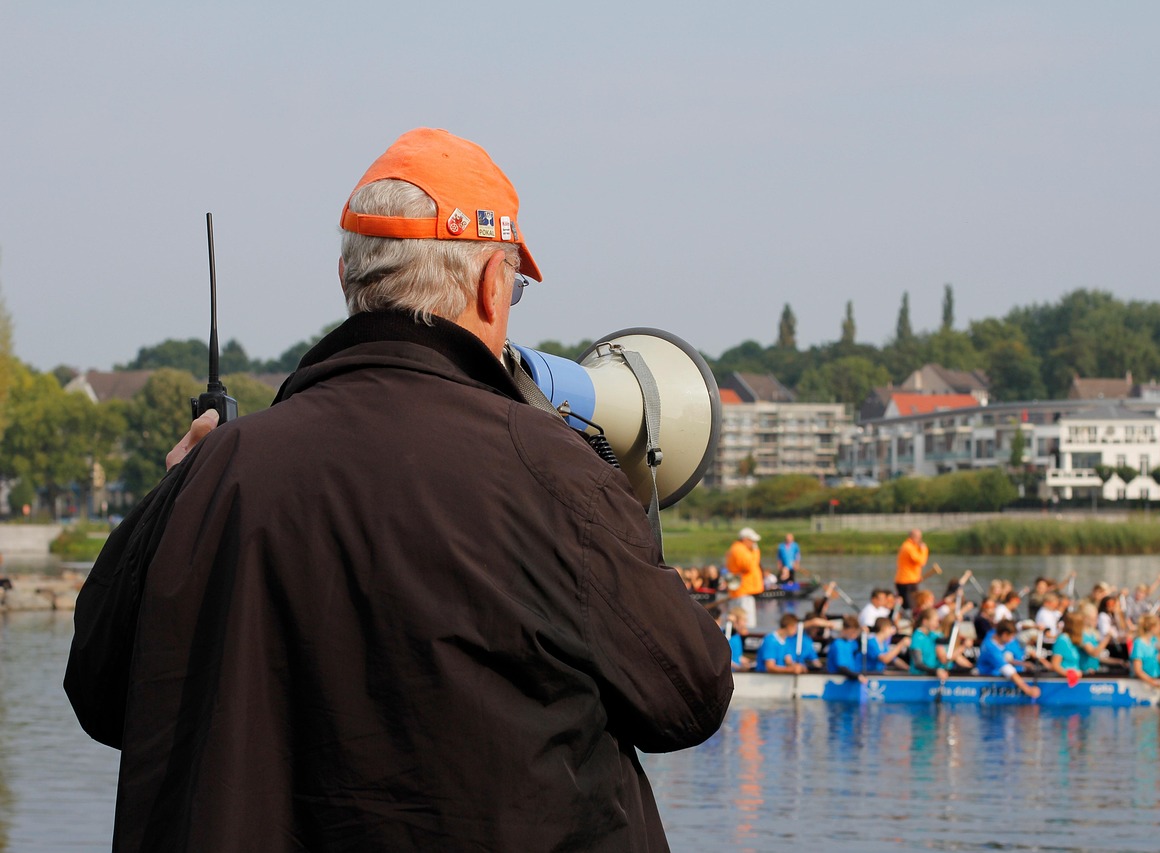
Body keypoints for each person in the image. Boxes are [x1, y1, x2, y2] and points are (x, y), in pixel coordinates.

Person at [63, 128, 732, 851]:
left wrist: (175, 501)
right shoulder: (554, 474)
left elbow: (100, 696)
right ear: (490, 284)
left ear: (347, 280)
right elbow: (690, 698)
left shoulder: (214, 471)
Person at [976, 620, 1040, 699]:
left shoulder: (992, 633)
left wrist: (1036, 627)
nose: (1012, 640)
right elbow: (1008, 670)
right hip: (988, 678)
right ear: (1004, 634)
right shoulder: (991, 649)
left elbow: (1013, 626)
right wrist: (1028, 690)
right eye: (1011, 637)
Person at [726, 527, 765, 628]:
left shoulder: (739, 549)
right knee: (746, 622)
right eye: (752, 541)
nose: (754, 543)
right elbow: (749, 566)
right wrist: (755, 552)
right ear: (745, 539)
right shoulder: (740, 550)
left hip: (742, 590)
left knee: (740, 620)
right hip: (743, 591)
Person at [894, 528, 937, 604]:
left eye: (920, 537)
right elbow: (921, 561)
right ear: (912, 537)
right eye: (918, 537)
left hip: (910, 580)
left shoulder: (912, 546)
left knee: (912, 603)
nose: (920, 539)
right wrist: (924, 550)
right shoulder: (908, 547)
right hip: (906, 581)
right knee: (910, 604)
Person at [1130, 613, 1160, 690]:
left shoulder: (1156, 641)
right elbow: (1138, 670)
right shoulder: (1139, 643)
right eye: (1159, 626)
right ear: (1152, 627)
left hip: (1158, 678)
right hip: (1143, 685)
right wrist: (1153, 682)